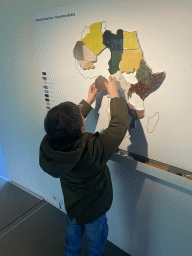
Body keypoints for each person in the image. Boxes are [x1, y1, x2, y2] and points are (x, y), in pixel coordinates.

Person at [39, 76, 129, 256]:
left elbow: (63, 125)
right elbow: (119, 126)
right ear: (81, 128)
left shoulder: (50, 145)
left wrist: (88, 101)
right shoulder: (93, 148)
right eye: (81, 115)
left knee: (72, 245)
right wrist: (114, 95)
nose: (82, 115)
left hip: (73, 209)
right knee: (96, 247)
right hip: (95, 213)